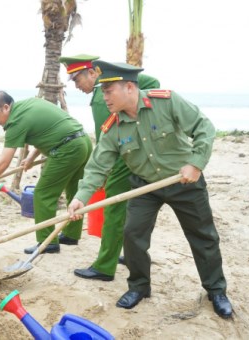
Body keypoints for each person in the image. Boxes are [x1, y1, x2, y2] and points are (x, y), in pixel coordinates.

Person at [67, 60, 232, 319]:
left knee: (203, 237)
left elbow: (204, 128)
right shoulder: (113, 127)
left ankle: (216, 290)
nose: (104, 96)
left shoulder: (166, 102)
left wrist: (196, 163)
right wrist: (80, 198)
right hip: (144, 186)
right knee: (133, 235)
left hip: (184, 181)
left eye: (109, 91)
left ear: (130, 87)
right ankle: (139, 287)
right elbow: (98, 166)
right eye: (103, 91)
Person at [58, 54, 160, 282]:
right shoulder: (110, 91)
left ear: (93, 74)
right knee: (131, 209)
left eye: (77, 80)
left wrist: (105, 172)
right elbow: (152, 83)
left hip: (124, 159)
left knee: (114, 210)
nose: (76, 86)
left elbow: (107, 142)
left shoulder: (99, 99)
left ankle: (104, 267)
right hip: (139, 155)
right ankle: (128, 253)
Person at [0, 91, 92, 254]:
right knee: (74, 190)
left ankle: (47, 242)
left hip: (67, 150)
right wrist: (31, 157)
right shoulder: (26, 105)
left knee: (43, 194)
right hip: (83, 142)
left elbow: (3, 162)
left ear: (6, 108)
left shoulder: (15, 122)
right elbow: (45, 131)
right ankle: (71, 235)